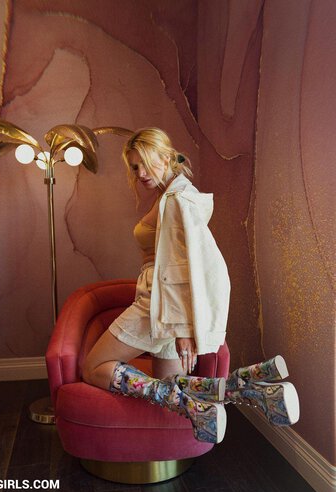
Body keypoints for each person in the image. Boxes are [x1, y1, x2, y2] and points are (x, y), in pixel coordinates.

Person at [82, 127, 299, 444]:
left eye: (146, 163)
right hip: (169, 306)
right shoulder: (173, 194)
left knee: (93, 367)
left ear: (166, 157)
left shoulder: (175, 200)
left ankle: (219, 398)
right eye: (135, 166)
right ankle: (252, 390)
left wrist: (184, 328)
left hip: (158, 304)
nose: (140, 173)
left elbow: (185, 267)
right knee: (173, 385)